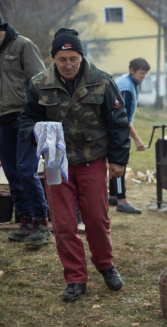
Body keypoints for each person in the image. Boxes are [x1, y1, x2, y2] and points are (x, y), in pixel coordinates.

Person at [18, 28, 131, 303]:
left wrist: (118, 159)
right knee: (64, 224)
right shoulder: (39, 83)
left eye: (73, 58)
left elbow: (118, 121)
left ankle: (105, 265)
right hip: (57, 162)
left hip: (92, 160)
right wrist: (38, 133)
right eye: (62, 59)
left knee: (96, 219)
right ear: (53, 58)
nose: (68, 64)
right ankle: (76, 279)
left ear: (81, 56)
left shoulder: (102, 81)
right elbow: (25, 121)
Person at [0, 14, 50, 245]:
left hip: (24, 116)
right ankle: (26, 219)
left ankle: (42, 221)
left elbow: (40, 81)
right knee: (11, 171)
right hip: (2, 118)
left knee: (25, 169)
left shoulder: (23, 45)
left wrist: (38, 115)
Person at [108, 57, 150, 214]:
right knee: (119, 164)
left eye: (145, 74)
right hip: (118, 131)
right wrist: (137, 139)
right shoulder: (126, 87)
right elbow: (123, 117)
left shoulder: (129, 81)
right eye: (141, 73)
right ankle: (121, 200)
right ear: (132, 70)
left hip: (117, 130)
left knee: (116, 163)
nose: (143, 77)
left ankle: (112, 196)